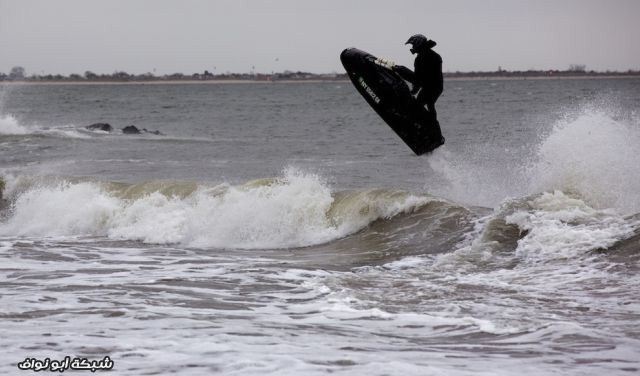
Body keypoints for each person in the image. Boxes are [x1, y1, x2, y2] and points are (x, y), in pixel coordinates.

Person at [394, 34, 444, 147]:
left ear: (418, 44)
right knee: (417, 107)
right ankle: (424, 131)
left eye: (413, 45)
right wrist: (413, 91)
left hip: (435, 87)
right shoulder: (418, 59)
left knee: (429, 104)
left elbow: (422, 78)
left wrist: (404, 73)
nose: (412, 48)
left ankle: (436, 136)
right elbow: (418, 78)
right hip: (426, 86)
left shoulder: (434, 57)